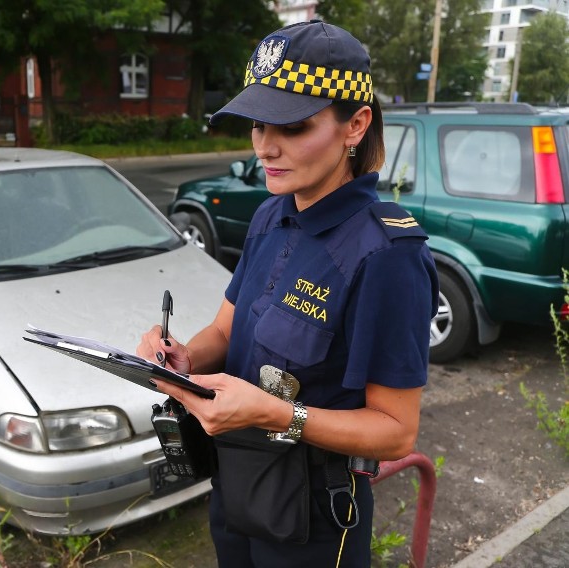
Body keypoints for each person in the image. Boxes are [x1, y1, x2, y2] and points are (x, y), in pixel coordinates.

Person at [137, 20, 438, 568]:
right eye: (257, 123)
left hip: (315, 518)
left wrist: (279, 415)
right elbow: (227, 330)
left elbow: (397, 432)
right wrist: (183, 357)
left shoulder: (387, 254)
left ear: (356, 125)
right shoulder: (271, 213)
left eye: (294, 125)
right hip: (236, 484)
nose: (265, 146)